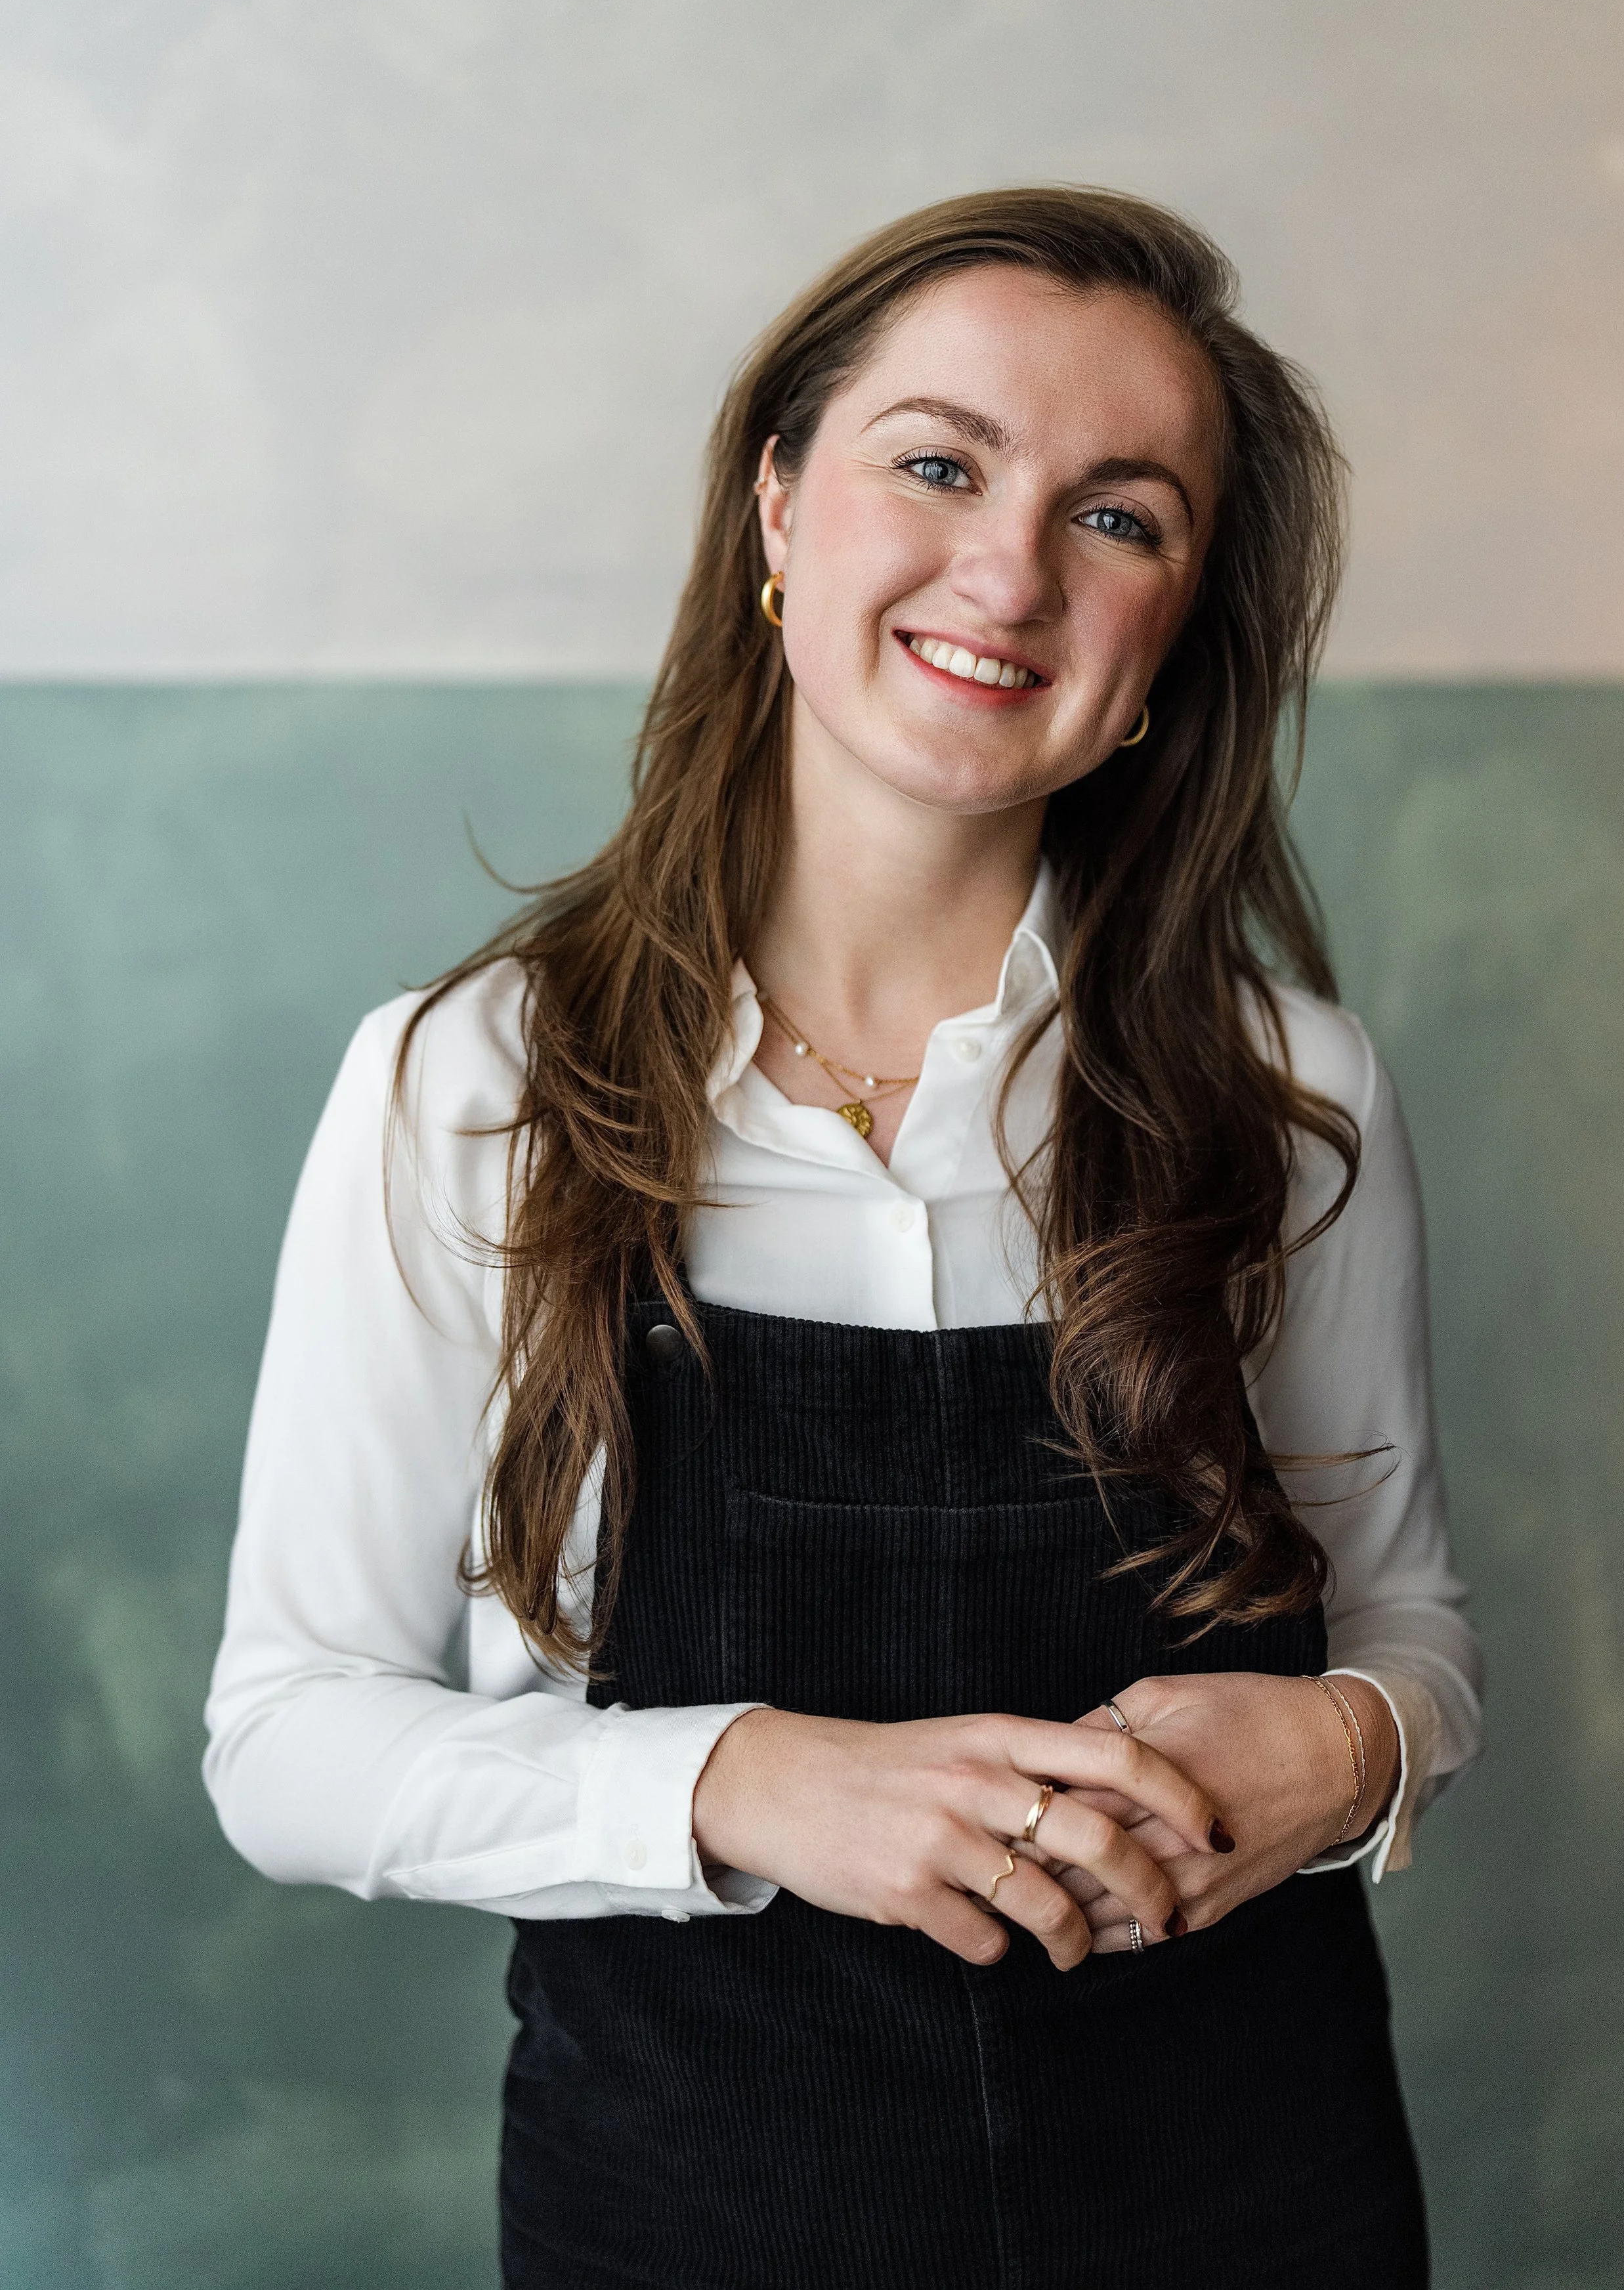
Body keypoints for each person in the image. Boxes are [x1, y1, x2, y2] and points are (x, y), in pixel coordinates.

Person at [204, 188, 1482, 2289]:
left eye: (1118, 516)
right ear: (779, 508)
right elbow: (288, 1740)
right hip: (690, 2203)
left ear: (1171, 636)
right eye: (938, 463)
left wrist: (1347, 1751)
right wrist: (751, 1781)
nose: (1010, 570)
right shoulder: (471, 1084)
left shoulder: (1292, 1091)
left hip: (1252, 2184)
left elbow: (1406, 1627)